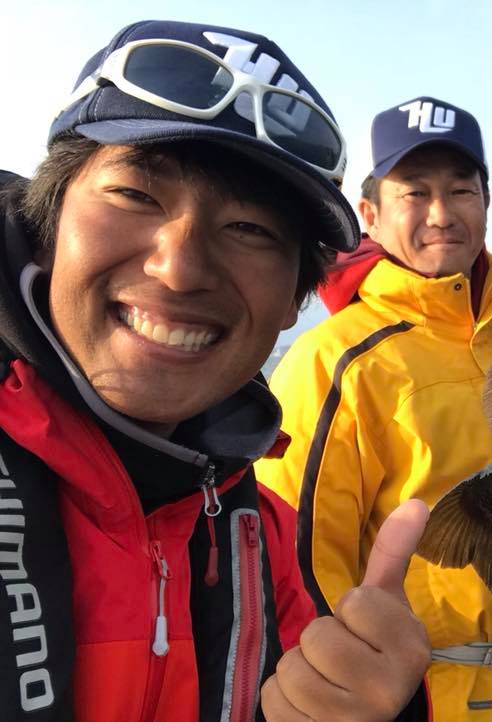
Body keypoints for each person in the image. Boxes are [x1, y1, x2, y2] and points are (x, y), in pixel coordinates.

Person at [0, 20, 430, 722]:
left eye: (250, 230)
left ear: (293, 300)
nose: (179, 268)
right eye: (135, 195)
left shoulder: (262, 537)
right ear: (46, 224)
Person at [256, 96, 492, 721]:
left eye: (461, 190)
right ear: (370, 214)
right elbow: (292, 574)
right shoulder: (332, 360)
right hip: (424, 700)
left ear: (487, 203)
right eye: (414, 193)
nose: (442, 214)